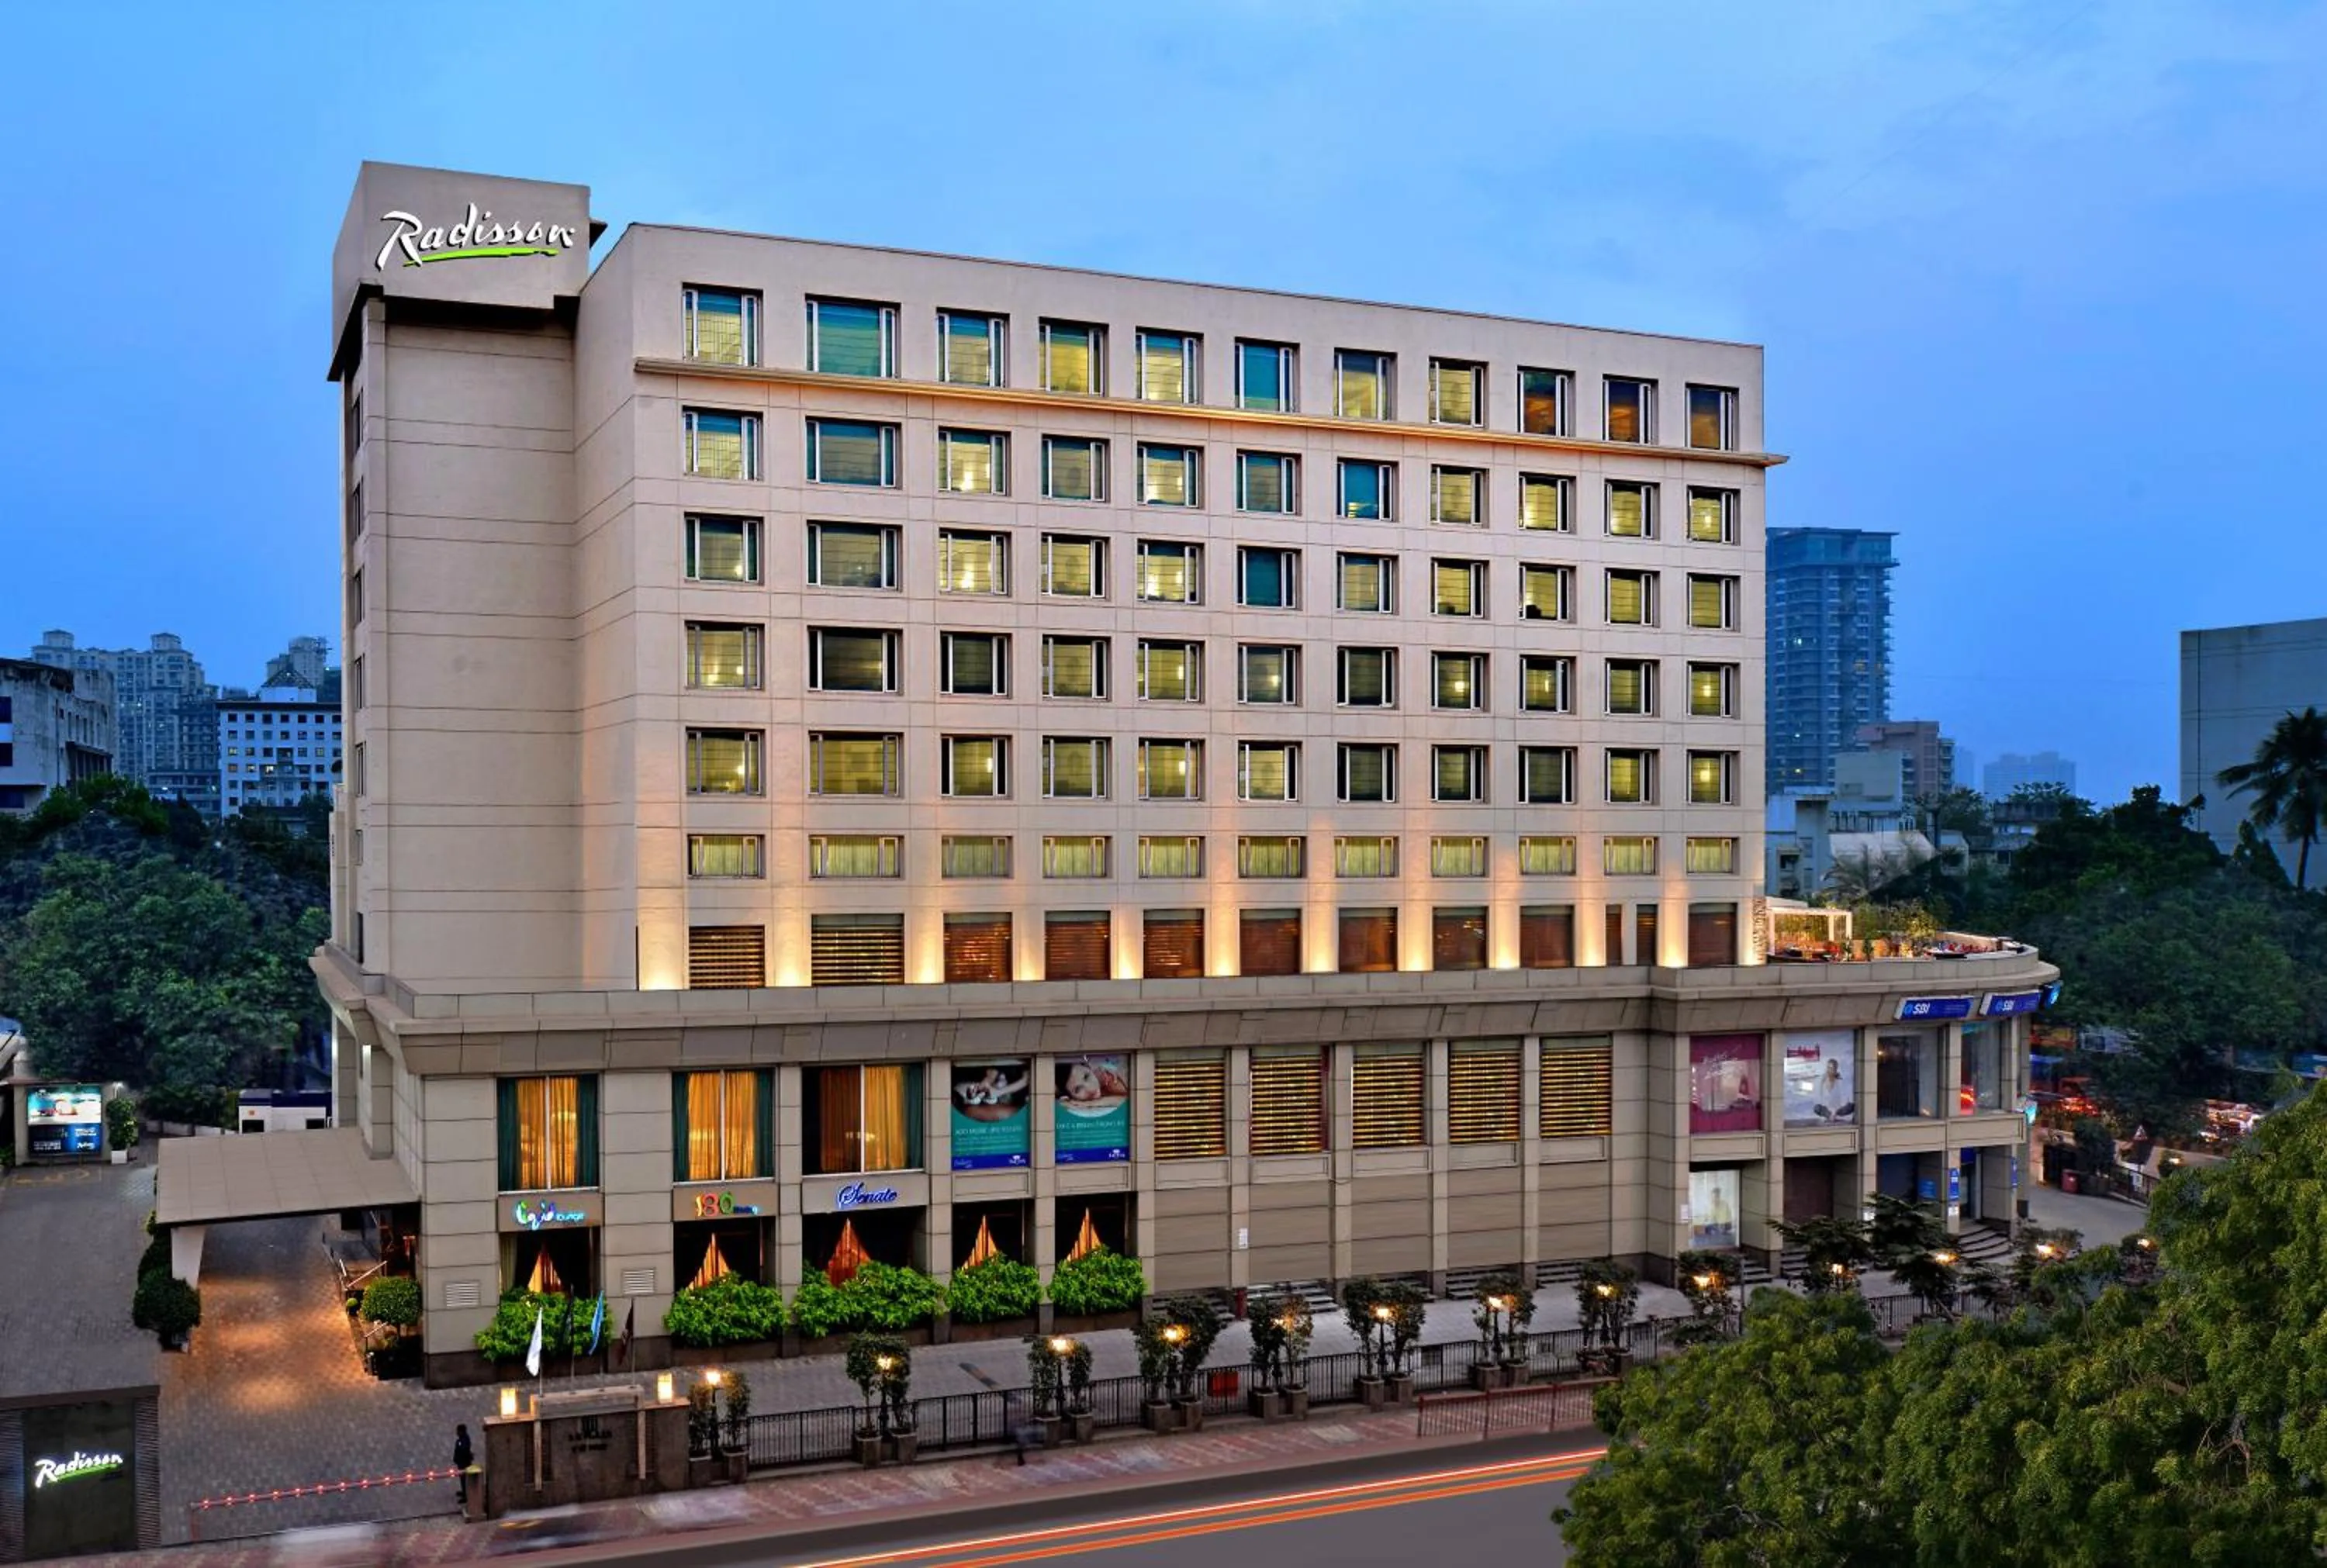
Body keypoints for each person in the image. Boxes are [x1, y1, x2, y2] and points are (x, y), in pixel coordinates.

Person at [453, 1424, 474, 1504]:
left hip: (464, 1462)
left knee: (464, 1479)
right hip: (462, 1461)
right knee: (463, 1478)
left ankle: (466, 1495)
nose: (457, 1433)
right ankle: (464, 1491)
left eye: (458, 1431)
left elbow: (463, 1450)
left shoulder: (463, 1440)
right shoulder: (462, 1439)